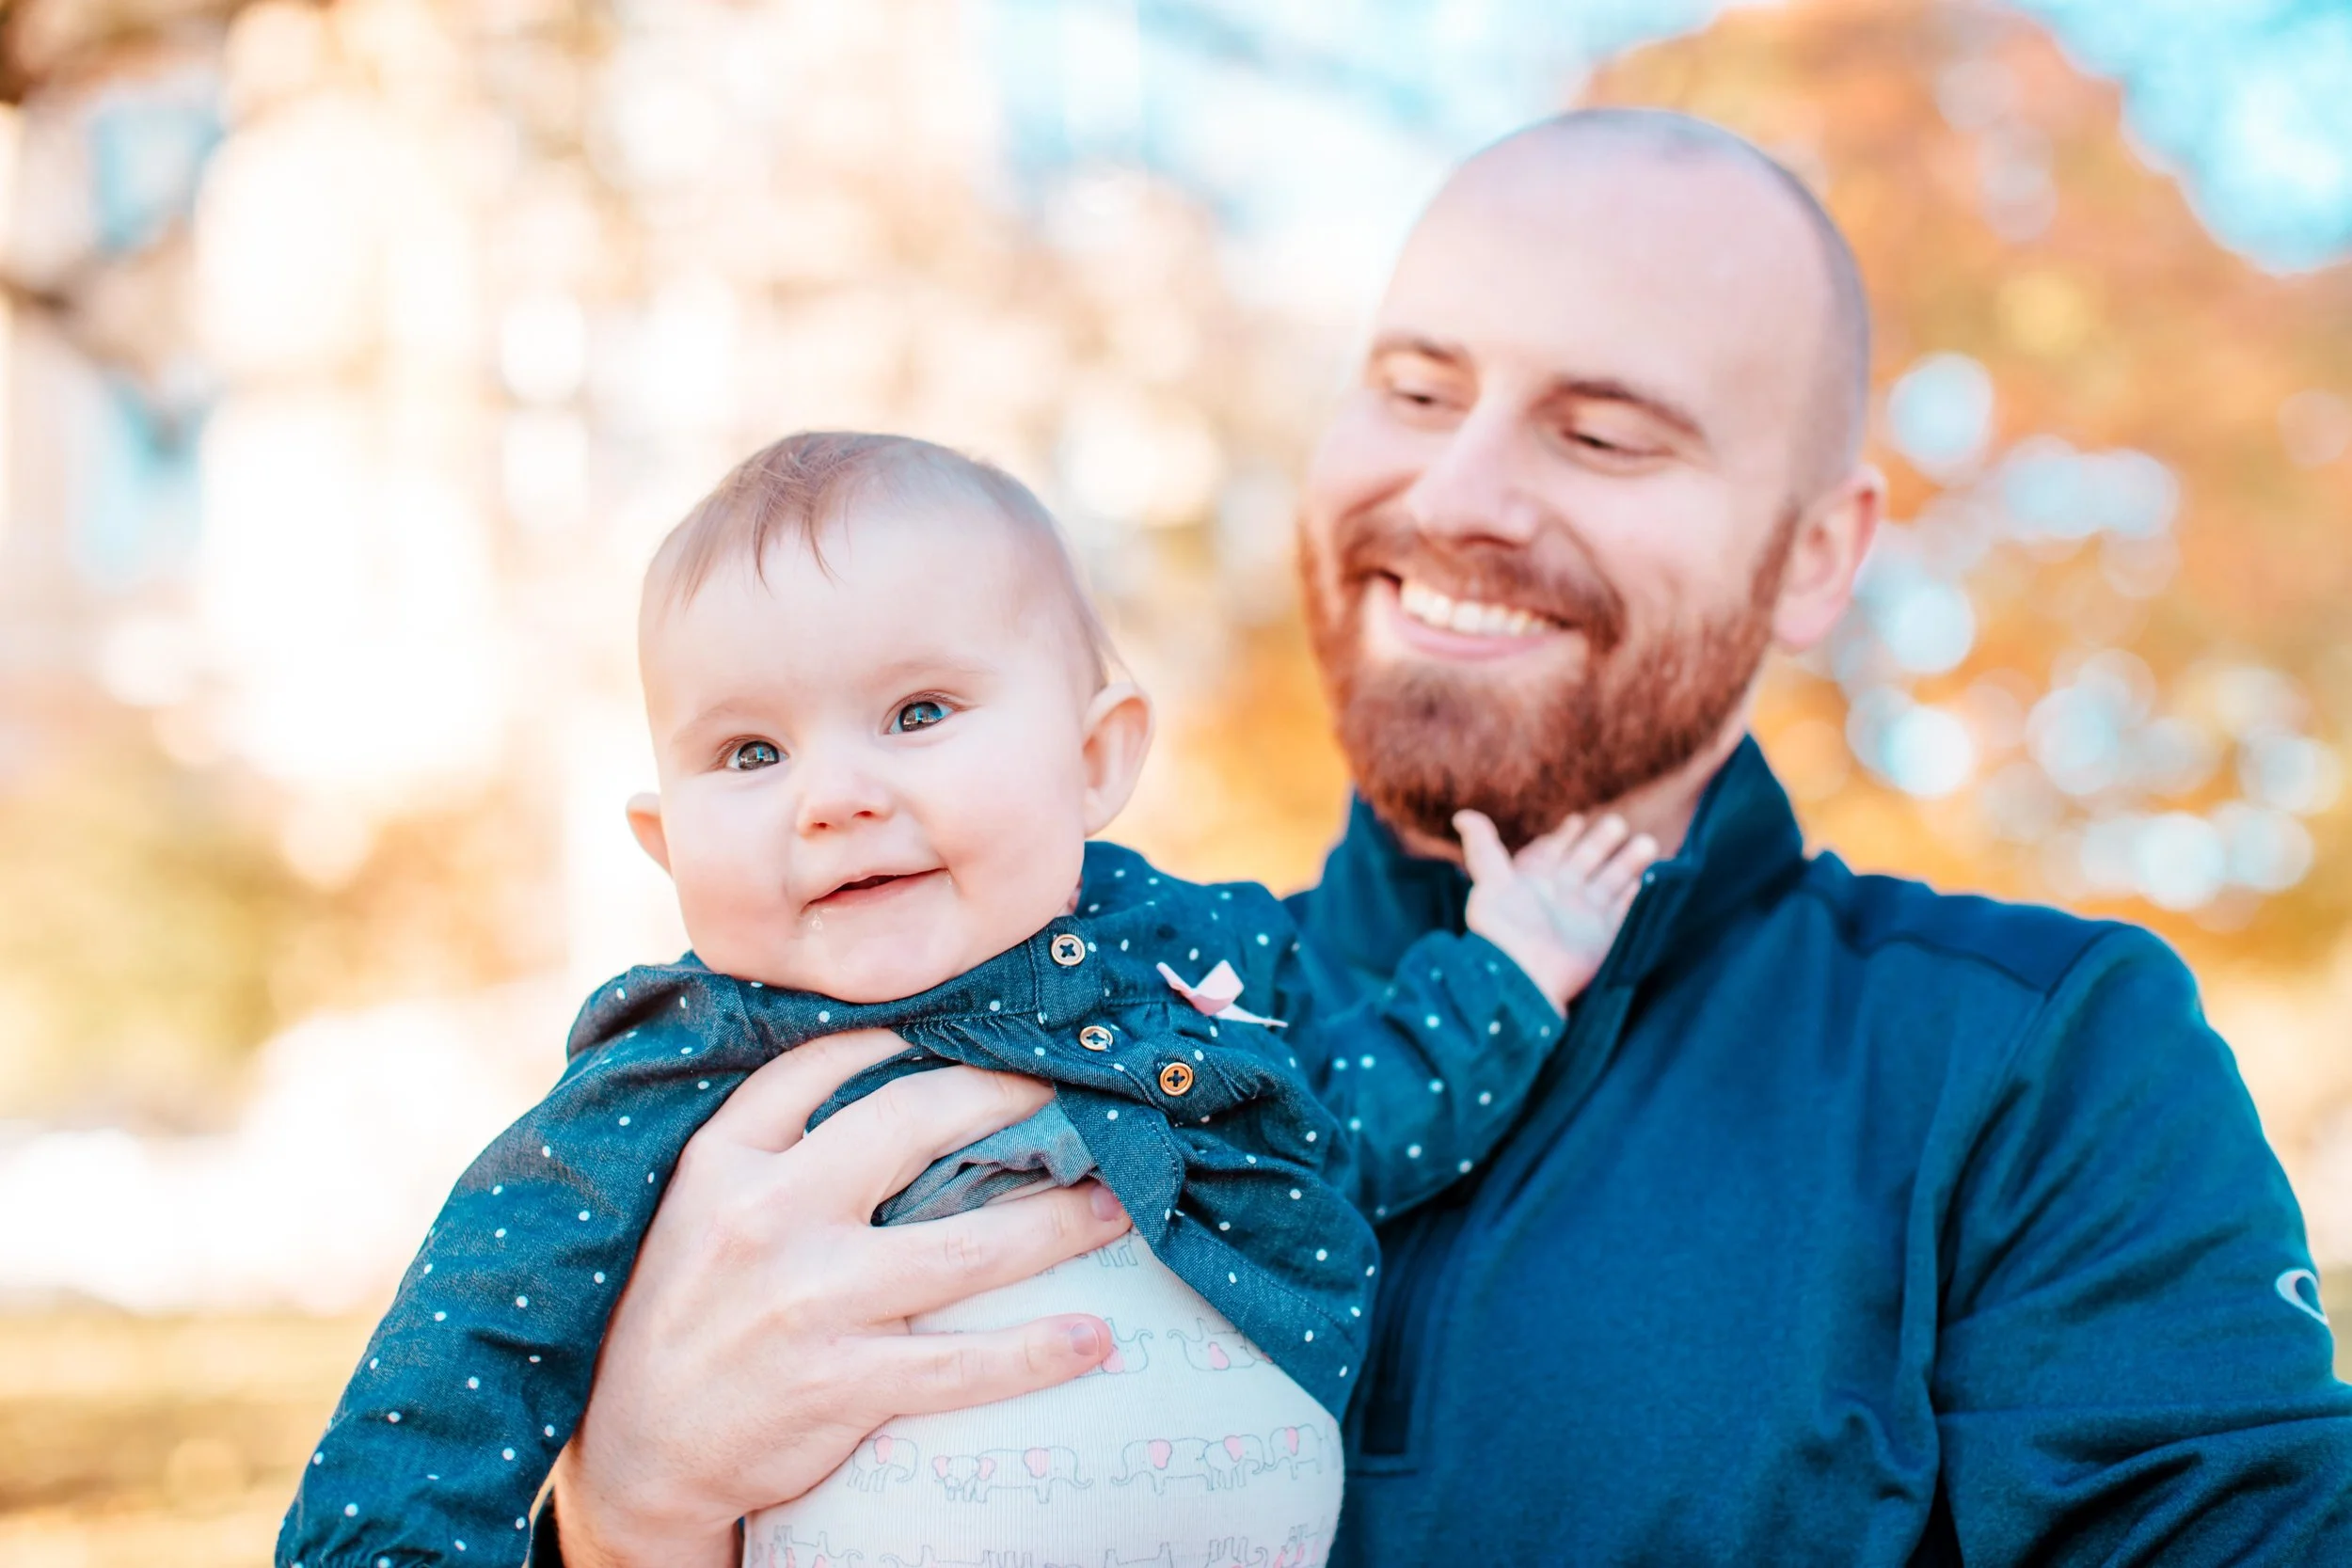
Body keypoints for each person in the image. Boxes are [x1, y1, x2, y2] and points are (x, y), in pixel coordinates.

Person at [543, 111, 2352, 1566]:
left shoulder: (2036, 1056)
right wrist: (623, 1521)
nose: (1458, 493)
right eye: (1415, 389)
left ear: (1816, 554)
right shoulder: (1000, 997)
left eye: (1604, 431)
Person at [280, 432, 1656, 1568]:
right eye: (751, 749)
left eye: (919, 712)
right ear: (666, 842)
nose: (834, 796)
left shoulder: (1190, 974)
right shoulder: (682, 1070)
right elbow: (465, 1348)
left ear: (1096, 754)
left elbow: (1354, 1126)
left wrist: (1514, 968)